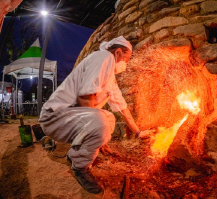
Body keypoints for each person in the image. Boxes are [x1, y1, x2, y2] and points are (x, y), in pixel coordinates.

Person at [39, 36, 152, 194]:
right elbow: (86, 96)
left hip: (69, 118)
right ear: (117, 52)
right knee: (100, 122)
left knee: (109, 119)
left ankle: (75, 154)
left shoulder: (109, 78)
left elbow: (123, 108)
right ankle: (79, 167)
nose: (126, 63)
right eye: (126, 58)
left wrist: (139, 133)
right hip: (55, 117)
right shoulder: (103, 57)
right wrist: (97, 130)